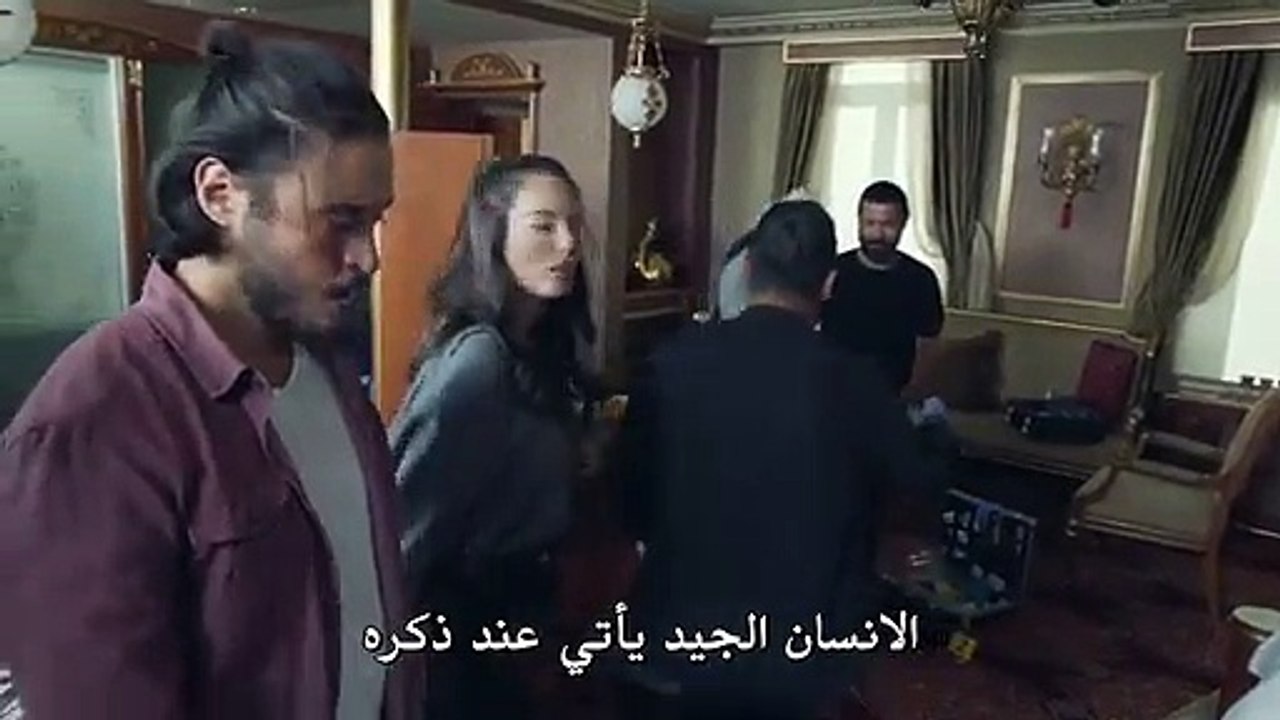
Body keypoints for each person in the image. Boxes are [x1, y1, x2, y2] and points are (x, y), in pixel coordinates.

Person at [0, 22, 420, 720]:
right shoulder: (96, 418)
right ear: (221, 194)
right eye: (339, 221)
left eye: (374, 222)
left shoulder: (329, 368)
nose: (367, 258)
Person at [617, 199, 945, 720]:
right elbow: (913, 491)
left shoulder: (670, 362)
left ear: (747, 270)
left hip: (675, 640)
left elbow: (629, 503)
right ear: (829, 283)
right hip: (803, 655)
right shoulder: (860, 384)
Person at [389, 154, 596, 720]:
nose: (568, 244)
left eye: (574, 226)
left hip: (521, 616)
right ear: (494, 232)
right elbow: (407, 521)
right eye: (544, 226)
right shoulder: (479, 360)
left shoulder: (538, 348)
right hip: (466, 627)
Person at [821, 180, 944, 394]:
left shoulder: (920, 279)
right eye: (870, 223)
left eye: (887, 225)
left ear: (903, 224)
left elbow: (929, 345)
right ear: (859, 221)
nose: (877, 234)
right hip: (833, 388)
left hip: (894, 394)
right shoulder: (833, 271)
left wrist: (913, 393)